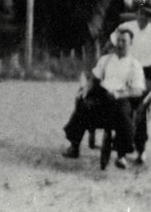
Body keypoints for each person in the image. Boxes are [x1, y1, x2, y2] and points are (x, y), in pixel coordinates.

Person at [62, 29, 145, 169]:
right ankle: (74, 146)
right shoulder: (106, 59)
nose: (119, 44)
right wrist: (85, 89)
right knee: (83, 104)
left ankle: (121, 155)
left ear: (131, 43)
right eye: (118, 40)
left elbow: (138, 90)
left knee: (124, 115)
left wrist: (119, 94)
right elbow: (93, 79)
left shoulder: (134, 65)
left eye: (124, 41)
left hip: (120, 98)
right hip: (103, 97)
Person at [109, 3, 151, 163]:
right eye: (141, 13)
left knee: (140, 108)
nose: (143, 17)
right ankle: (122, 145)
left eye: (147, 15)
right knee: (121, 105)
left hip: (146, 73)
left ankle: (140, 148)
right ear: (136, 13)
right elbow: (110, 46)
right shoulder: (125, 27)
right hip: (124, 69)